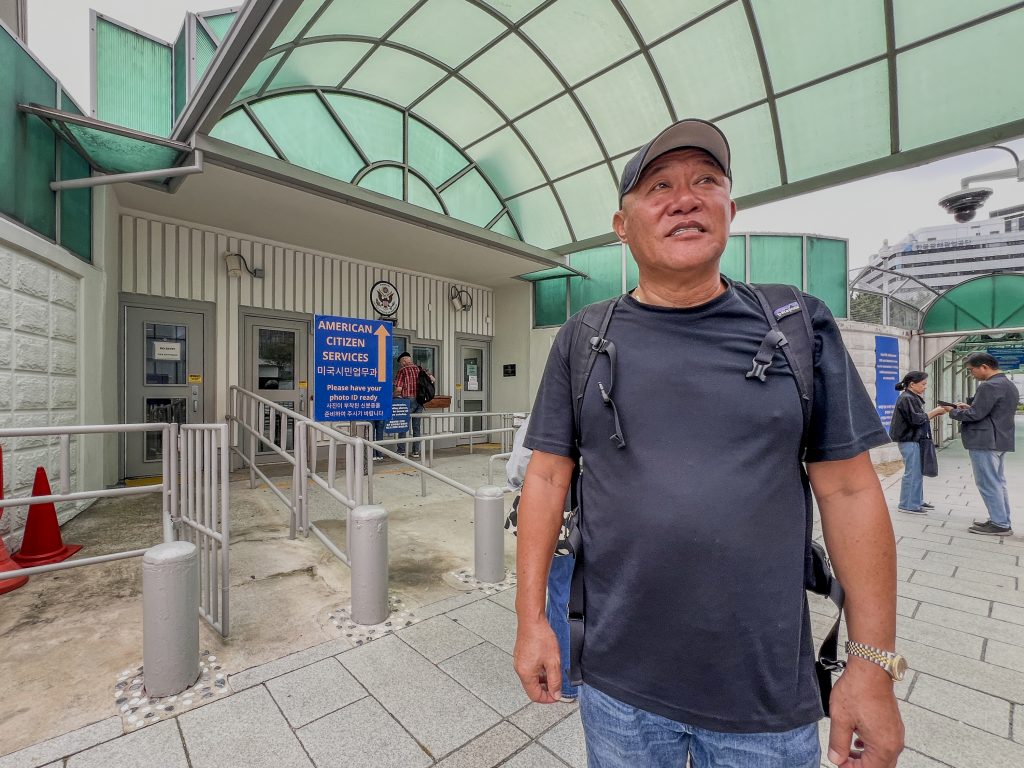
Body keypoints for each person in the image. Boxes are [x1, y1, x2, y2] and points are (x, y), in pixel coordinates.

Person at [513, 119, 905, 768]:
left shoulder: (796, 325)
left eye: (706, 180)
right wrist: (532, 621)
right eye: (659, 186)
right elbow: (548, 477)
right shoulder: (583, 337)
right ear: (622, 225)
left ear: (730, 209)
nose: (685, 198)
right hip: (618, 687)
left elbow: (850, 490)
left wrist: (871, 663)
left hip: (763, 696)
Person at [506, 414, 578, 704]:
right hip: (602, 520)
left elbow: (519, 467)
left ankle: (566, 682)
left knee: (561, 595)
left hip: (560, 521)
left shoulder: (551, 414)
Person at [950, 352, 1019, 536]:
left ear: (984, 367)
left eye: (972, 370)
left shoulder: (988, 386)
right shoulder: (1008, 385)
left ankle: (1000, 524)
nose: (971, 374)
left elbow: (976, 415)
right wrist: (971, 407)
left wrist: (953, 411)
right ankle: (1001, 519)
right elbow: (991, 411)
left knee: (988, 483)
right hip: (1001, 439)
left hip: (985, 440)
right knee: (998, 482)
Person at [889, 371, 951, 514]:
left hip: (913, 439)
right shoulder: (907, 398)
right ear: (912, 384)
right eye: (923, 384)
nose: (925, 387)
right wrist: (935, 412)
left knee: (916, 472)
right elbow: (916, 419)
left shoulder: (910, 397)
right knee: (912, 473)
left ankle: (916, 500)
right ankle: (908, 504)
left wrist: (936, 412)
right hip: (909, 439)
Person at [393, 352, 434, 458]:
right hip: (420, 400)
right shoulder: (420, 369)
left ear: (403, 360)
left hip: (408, 400)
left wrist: (392, 396)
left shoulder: (402, 370)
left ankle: (401, 451)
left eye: (401, 362)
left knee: (403, 425)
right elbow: (433, 379)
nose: (401, 364)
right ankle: (416, 451)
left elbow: (398, 389)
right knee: (416, 427)